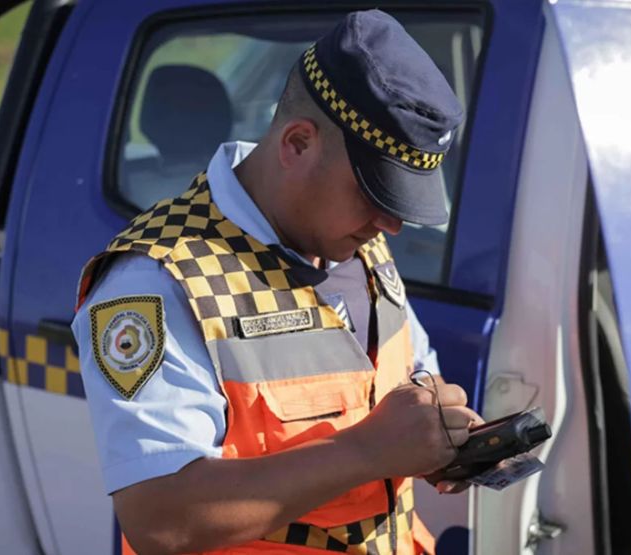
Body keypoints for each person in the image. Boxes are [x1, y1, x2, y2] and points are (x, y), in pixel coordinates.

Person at [72, 10, 482, 554]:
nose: (391, 224)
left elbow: (405, 375)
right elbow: (160, 518)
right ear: (296, 143)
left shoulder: (353, 235)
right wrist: (370, 452)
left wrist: (438, 429)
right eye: (377, 193)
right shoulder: (157, 281)